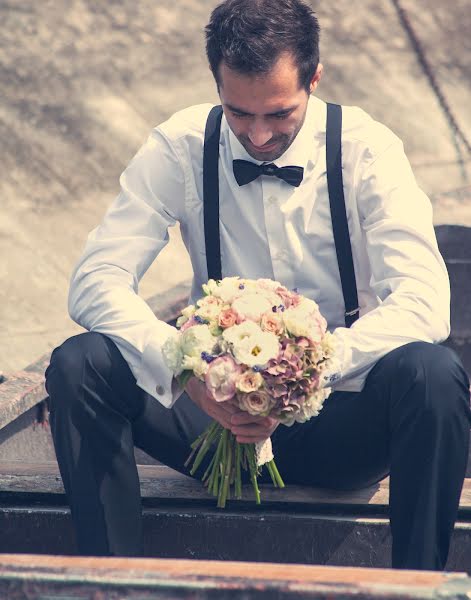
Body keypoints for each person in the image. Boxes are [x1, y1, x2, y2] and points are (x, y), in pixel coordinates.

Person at [45, 0, 471, 570]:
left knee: (434, 374)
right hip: (211, 422)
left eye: (278, 114)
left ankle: (418, 583)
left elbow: (424, 302)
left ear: (314, 78)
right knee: (80, 362)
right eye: (239, 113)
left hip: (338, 426)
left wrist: (302, 376)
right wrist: (183, 366)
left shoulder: (368, 150)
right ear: (217, 82)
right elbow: (96, 278)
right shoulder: (181, 144)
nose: (258, 134)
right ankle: (110, 580)